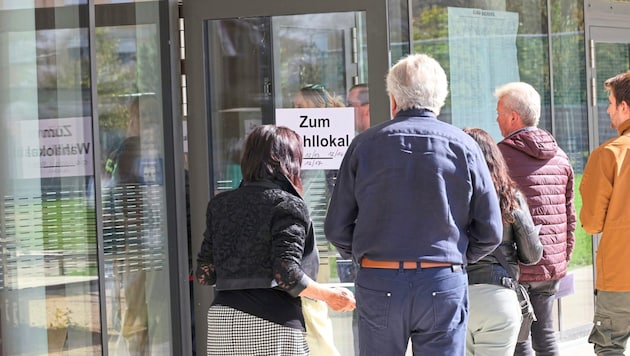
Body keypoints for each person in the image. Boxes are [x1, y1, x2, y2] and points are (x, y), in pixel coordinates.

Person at [324, 53, 503, 356]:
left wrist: (366, 256)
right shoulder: (464, 146)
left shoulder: (364, 145)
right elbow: (490, 231)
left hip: (379, 277)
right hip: (442, 277)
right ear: (440, 99)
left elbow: (337, 227)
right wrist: (454, 256)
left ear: (393, 100)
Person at [196, 125, 355, 356]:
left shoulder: (219, 205)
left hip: (223, 322)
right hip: (271, 323)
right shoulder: (288, 205)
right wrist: (330, 296)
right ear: (290, 161)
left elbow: (204, 273)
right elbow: (287, 275)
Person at [494, 82, 576, 356]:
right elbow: (569, 214)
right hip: (549, 265)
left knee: (519, 341)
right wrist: (561, 259)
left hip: (516, 264)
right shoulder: (561, 157)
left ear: (513, 116)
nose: (496, 119)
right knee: (547, 337)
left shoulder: (499, 156)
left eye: (499, 112)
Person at [463, 127, 543, 356]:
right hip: (498, 297)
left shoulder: (449, 197)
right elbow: (532, 254)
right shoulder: (509, 196)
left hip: (457, 296)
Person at [579, 70, 630, 355]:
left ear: (624, 106)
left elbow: (591, 223)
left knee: (609, 347)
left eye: (610, 102)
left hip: (621, 275)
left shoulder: (609, 153)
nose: (608, 109)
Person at [292, 85, 346, 356]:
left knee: (315, 306)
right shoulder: (297, 153)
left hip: (322, 241)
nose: (295, 113)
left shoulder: (335, 147)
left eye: (299, 107)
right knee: (315, 307)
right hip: (309, 237)